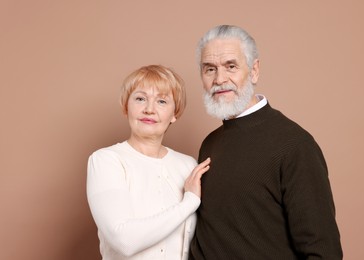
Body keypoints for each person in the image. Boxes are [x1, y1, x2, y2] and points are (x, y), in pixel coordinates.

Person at [189, 25, 343, 259]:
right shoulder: (210, 144)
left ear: (254, 70)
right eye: (210, 69)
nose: (219, 79)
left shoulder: (294, 144)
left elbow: (323, 251)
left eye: (231, 66)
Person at [87, 65, 210, 260]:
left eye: (161, 101)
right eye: (140, 99)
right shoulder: (106, 161)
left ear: (175, 113)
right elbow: (124, 242)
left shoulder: (188, 166)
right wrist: (189, 202)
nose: (149, 109)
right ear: (125, 106)